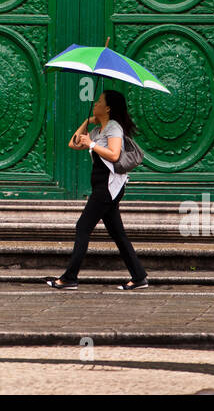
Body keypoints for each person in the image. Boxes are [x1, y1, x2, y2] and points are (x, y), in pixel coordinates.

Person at [46, 88, 149, 290]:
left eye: (99, 101)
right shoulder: (99, 129)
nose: (95, 103)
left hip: (109, 186)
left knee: (83, 227)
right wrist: (88, 122)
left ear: (108, 108)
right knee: (117, 233)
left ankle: (69, 278)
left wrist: (92, 144)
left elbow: (114, 155)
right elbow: (73, 143)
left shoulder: (114, 128)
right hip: (102, 185)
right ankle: (138, 277)